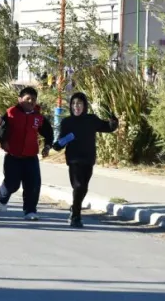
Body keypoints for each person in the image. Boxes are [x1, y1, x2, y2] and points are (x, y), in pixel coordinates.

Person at [54, 92, 118, 228]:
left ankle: (74, 208)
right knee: (78, 186)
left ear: (84, 106)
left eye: (79, 103)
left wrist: (113, 122)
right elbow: (61, 141)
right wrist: (57, 145)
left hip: (88, 159)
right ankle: (76, 216)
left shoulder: (91, 120)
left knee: (83, 188)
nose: (76, 106)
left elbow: (108, 127)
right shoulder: (67, 122)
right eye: (74, 104)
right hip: (73, 160)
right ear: (71, 106)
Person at [0, 86, 54, 221]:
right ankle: (2, 197)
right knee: (12, 184)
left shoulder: (38, 117)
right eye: (28, 99)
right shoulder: (11, 113)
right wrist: (2, 140)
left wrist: (47, 146)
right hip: (13, 157)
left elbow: (48, 132)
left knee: (33, 185)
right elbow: (1, 131)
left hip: (31, 157)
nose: (31, 102)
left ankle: (30, 210)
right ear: (20, 99)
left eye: (33, 100)